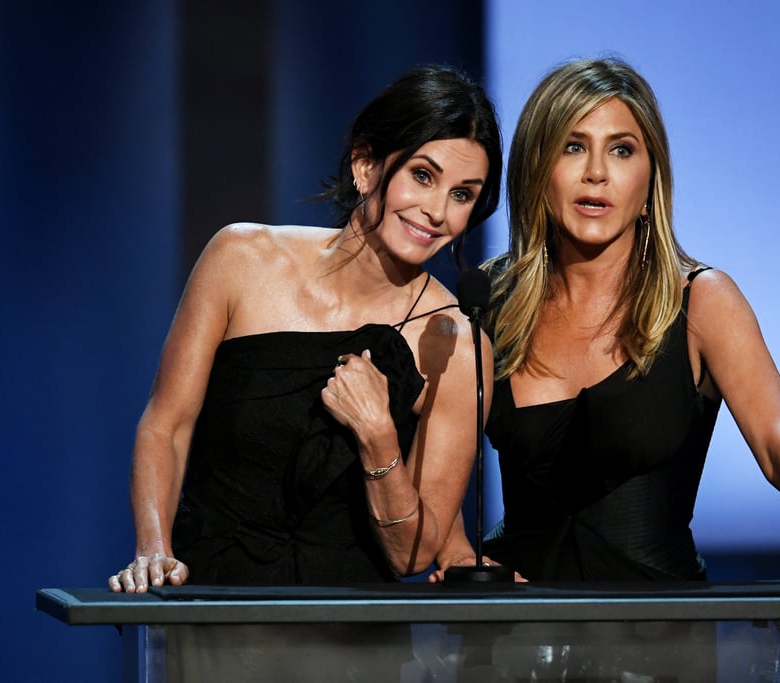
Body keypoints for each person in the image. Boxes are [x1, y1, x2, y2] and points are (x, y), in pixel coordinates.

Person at [432, 58, 780, 605]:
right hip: (517, 634)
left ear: (650, 183)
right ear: (535, 170)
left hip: (664, 635)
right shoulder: (492, 300)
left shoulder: (702, 301)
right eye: (573, 147)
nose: (597, 172)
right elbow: (438, 467)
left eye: (621, 150)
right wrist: (456, 549)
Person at [110, 65, 500, 592]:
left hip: (351, 639)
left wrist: (379, 439)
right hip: (210, 610)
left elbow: (413, 556)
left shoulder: (455, 343)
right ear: (366, 166)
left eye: (463, 194)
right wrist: (153, 553)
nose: (436, 210)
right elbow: (167, 425)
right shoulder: (240, 259)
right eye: (423, 176)